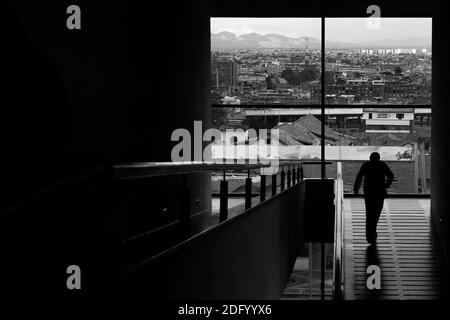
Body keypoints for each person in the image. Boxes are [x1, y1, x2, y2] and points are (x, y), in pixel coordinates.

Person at [353, 152, 394, 244]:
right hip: (380, 192)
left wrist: (356, 190)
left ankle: (369, 235)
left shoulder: (366, 165)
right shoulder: (382, 165)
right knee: (377, 213)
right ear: (379, 158)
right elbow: (391, 175)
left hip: (369, 192)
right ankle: (373, 231)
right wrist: (387, 185)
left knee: (369, 213)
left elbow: (359, 178)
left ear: (370, 158)